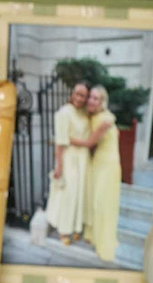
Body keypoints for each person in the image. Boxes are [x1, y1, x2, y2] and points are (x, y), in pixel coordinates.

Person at [44, 82, 91, 243]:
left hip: (83, 159)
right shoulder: (64, 112)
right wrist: (59, 166)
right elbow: (60, 141)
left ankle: (76, 227)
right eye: (77, 94)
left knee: (79, 193)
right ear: (72, 94)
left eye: (83, 95)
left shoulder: (84, 114)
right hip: (69, 157)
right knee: (68, 194)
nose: (80, 98)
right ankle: (64, 231)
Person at [82, 85, 123, 263]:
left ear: (102, 102)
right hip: (100, 162)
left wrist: (64, 140)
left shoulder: (104, 120)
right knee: (97, 200)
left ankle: (102, 241)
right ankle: (92, 234)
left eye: (96, 98)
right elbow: (117, 135)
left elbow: (90, 143)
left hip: (108, 165)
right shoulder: (100, 118)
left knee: (103, 203)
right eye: (90, 97)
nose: (91, 100)